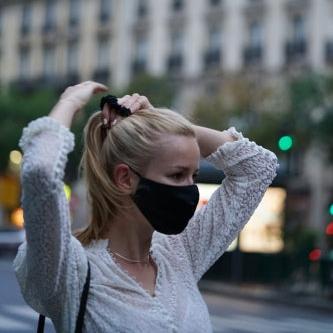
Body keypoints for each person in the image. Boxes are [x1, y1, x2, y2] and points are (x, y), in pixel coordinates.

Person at [13, 81, 278, 332]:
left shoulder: (179, 254)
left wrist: (165, 126)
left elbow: (258, 167)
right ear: (125, 178)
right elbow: (40, 172)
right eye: (176, 175)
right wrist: (69, 102)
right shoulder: (69, 270)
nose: (189, 189)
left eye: (193, 176)